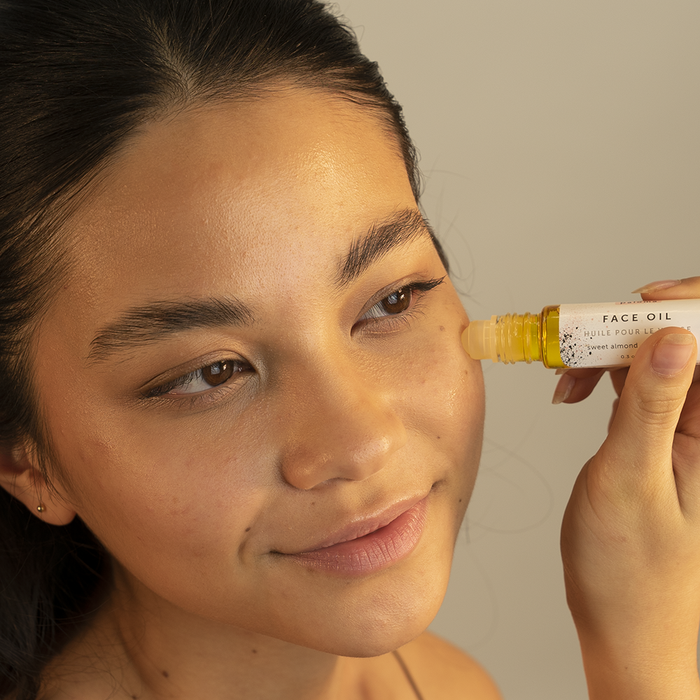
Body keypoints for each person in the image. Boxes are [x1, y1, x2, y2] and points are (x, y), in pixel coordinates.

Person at [0, 1, 698, 699]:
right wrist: (643, 663)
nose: (362, 444)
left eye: (391, 301)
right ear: (23, 460)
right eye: (212, 373)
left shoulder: (447, 686)